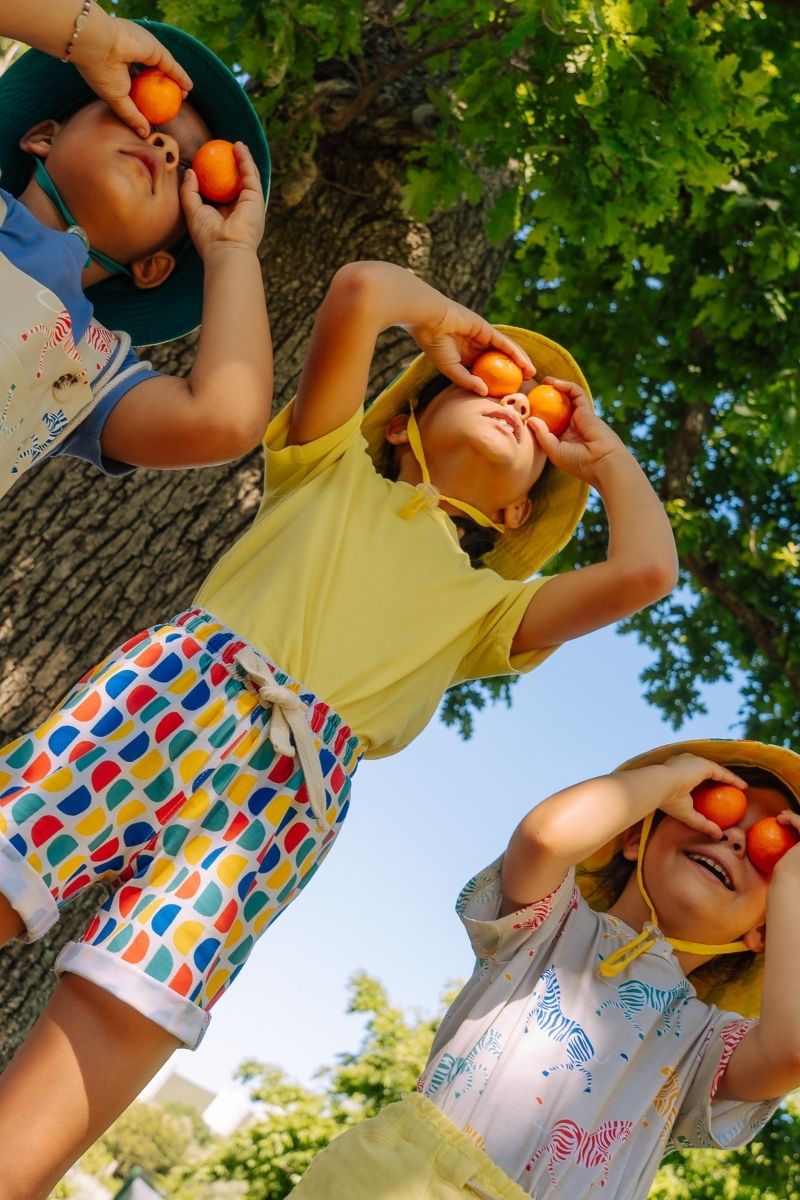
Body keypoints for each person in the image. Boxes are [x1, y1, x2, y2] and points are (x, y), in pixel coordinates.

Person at [0, 258, 678, 1197]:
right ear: (403, 421)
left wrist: (599, 452)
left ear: (519, 510)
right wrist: (453, 331)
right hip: (171, 699)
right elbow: (360, 289)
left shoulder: (490, 610)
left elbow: (646, 573)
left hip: (284, 801)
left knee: (133, 1001)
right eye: (488, 388)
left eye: (540, 419)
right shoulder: (325, 464)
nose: (519, 405)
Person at [285, 737, 800, 1200]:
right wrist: (667, 779)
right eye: (714, 812)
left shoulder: (704, 1046)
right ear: (634, 838)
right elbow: (544, 838)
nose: (734, 839)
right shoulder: (551, 920)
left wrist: (794, 882)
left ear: (765, 933)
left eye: (765, 854)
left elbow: (791, 1049)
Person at [0, 1, 272, 496]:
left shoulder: (81, 366)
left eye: (189, 173)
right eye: (143, 116)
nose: (167, 151)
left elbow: (224, 421)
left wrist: (231, 251)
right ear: (43, 136)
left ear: (152, 266)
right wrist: (91, 38)